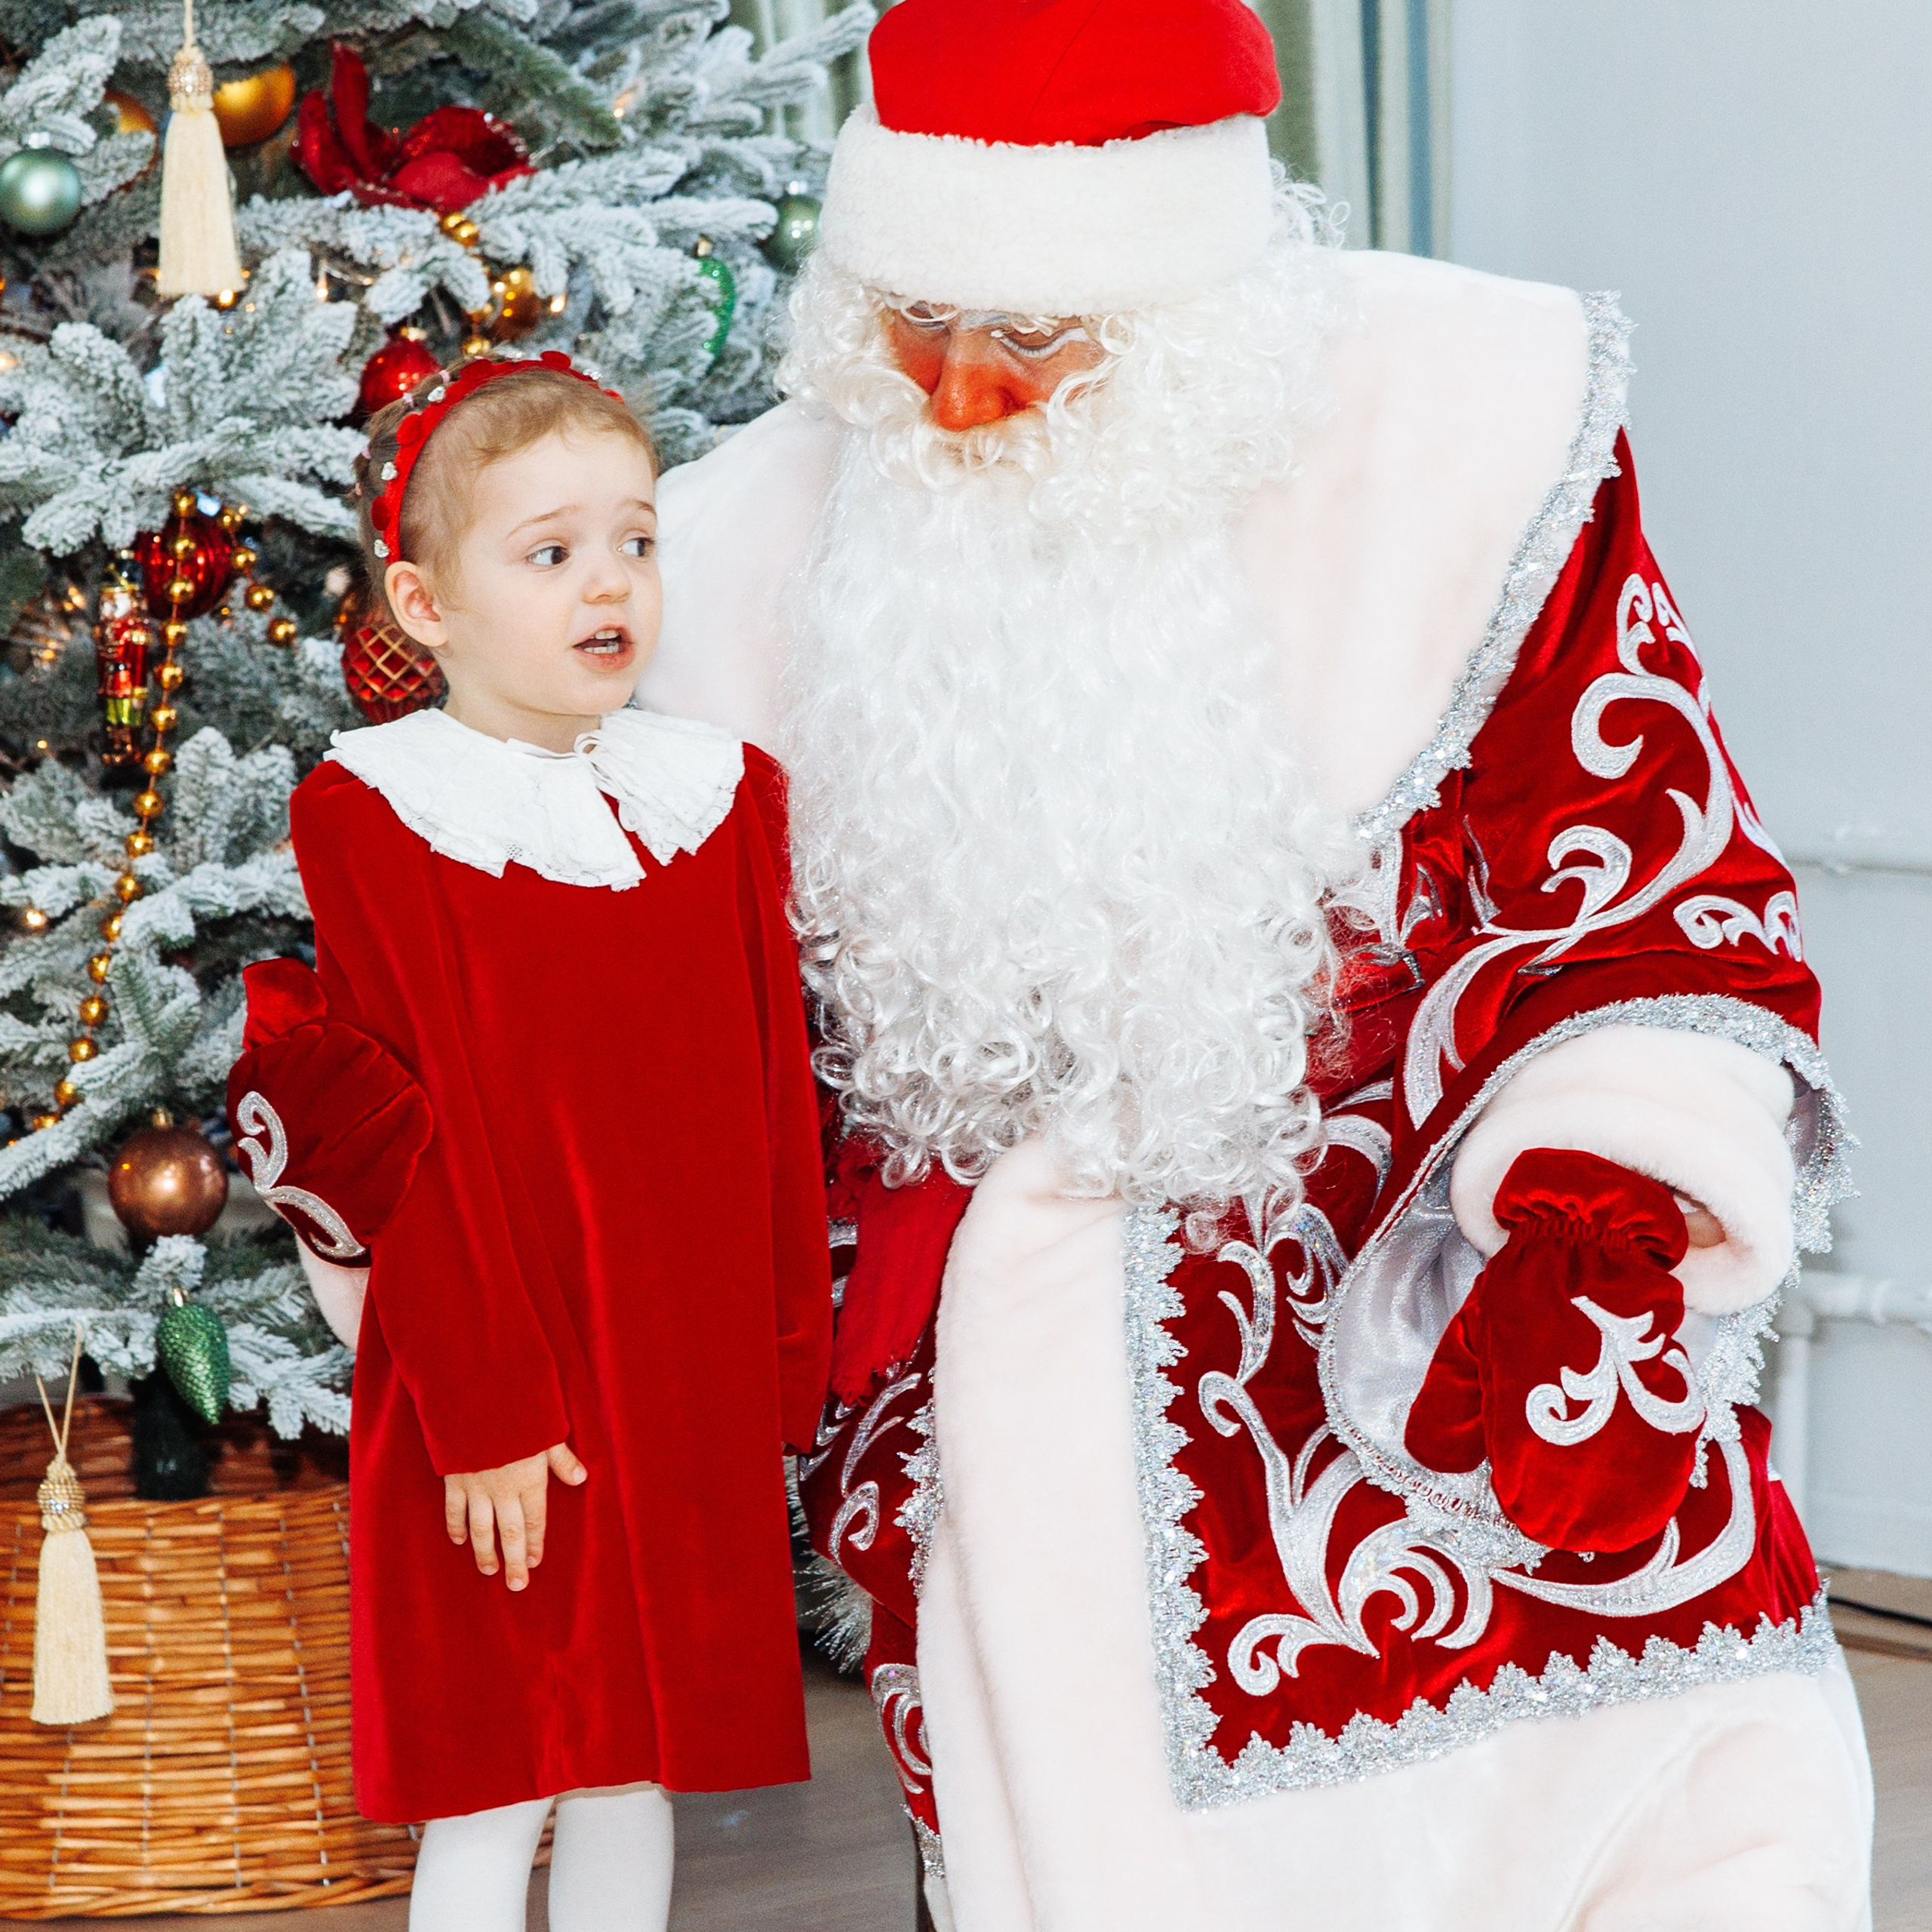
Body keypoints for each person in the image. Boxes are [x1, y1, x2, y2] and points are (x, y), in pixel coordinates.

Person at [640, 1, 1876, 1927]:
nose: (953, 394)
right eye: (914, 321)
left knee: (1683, 1758)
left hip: (1421, 1226)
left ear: (1177, 305)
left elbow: (1640, 849)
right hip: (1001, 1316)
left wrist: (1606, 1165)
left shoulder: (1461, 434)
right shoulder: (737, 550)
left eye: (1031, 336)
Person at [224, 352, 832, 1932]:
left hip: (675, 1375)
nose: (608, 581)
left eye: (632, 538)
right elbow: (399, 1124)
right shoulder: (381, 811)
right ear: (425, 607)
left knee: (640, 1767)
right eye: (548, 551)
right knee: (505, 1772)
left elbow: (775, 1096)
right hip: (500, 1380)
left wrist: (778, 1357)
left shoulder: (719, 798)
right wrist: (483, 1407)